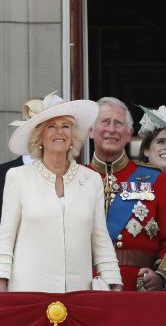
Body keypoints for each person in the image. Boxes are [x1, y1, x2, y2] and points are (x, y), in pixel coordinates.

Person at [0, 92, 122, 292]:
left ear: (73, 136)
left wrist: (114, 282)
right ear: (40, 136)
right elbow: (5, 241)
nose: (60, 132)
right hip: (28, 293)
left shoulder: (91, 180)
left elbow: (100, 239)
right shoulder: (18, 177)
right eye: (52, 127)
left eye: (65, 126)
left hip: (78, 295)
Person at [88, 97, 166, 291]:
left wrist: (160, 275)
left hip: (137, 289)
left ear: (129, 134)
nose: (111, 129)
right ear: (91, 131)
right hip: (84, 285)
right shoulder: (76, 177)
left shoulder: (154, 178)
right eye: (105, 122)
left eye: (118, 124)